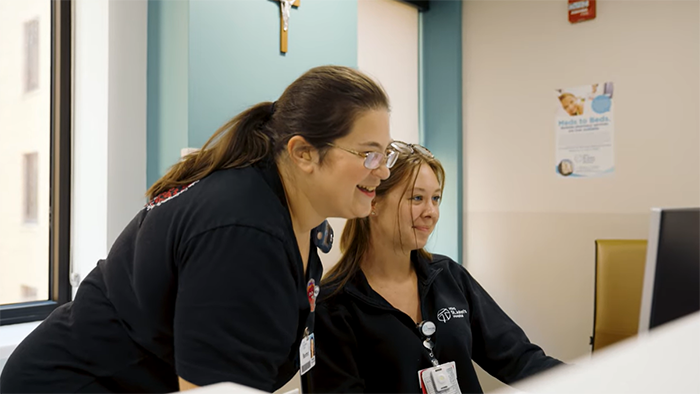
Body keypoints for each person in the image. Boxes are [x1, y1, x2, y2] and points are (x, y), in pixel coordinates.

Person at [0, 65, 398, 394]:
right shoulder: (243, 232)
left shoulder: (292, 218)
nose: (383, 171)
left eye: (387, 153)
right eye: (369, 154)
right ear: (303, 153)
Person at [308, 142, 562, 394]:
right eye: (417, 198)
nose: (432, 212)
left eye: (436, 198)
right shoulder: (334, 306)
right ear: (373, 203)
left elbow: (517, 357)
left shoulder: (449, 276)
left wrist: (592, 381)